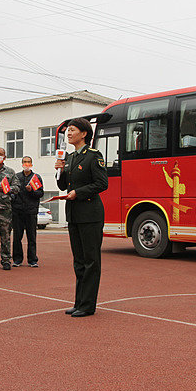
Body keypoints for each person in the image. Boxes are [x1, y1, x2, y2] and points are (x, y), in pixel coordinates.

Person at [55, 118, 108, 318]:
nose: (68, 134)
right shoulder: (69, 157)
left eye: (72, 130)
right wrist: (59, 170)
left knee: (91, 260)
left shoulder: (93, 156)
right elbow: (62, 186)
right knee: (78, 260)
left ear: (84, 133)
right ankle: (79, 302)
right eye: (67, 131)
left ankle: (88, 305)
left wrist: (79, 192)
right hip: (74, 215)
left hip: (90, 214)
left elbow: (102, 183)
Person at [11, 156, 44, 267]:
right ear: (21, 163)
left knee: (32, 237)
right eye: (25, 162)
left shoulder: (36, 177)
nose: (26, 164)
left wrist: (32, 191)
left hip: (31, 211)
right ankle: (17, 259)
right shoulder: (16, 177)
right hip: (18, 211)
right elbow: (12, 192)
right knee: (17, 237)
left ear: (32, 164)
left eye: (29, 162)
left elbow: (40, 194)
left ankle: (32, 260)